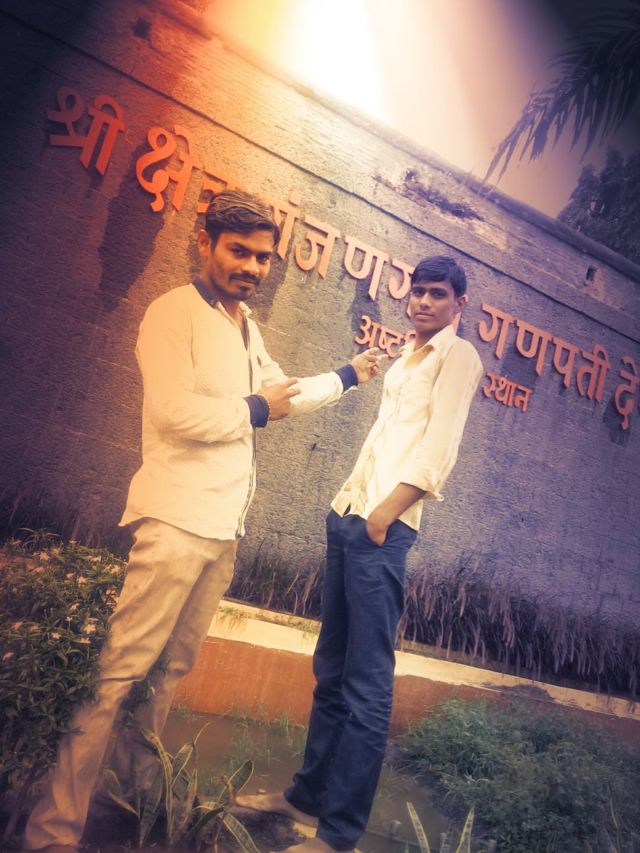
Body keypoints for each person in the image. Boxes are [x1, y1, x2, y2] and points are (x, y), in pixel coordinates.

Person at [23, 190, 382, 853]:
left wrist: (349, 374)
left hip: (221, 533)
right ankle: (52, 832)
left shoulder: (246, 327)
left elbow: (285, 395)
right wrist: (253, 408)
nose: (252, 267)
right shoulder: (173, 314)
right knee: (116, 678)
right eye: (239, 251)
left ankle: (125, 803)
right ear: (205, 243)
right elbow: (173, 412)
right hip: (174, 523)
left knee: (166, 677)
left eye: (262, 257)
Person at [237, 255, 484, 853]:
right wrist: (354, 511)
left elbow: (438, 451)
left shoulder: (458, 357)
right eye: (418, 292)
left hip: (382, 529)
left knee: (367, 686)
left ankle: (339, 834)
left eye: (437, 294)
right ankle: (305, 799)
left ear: (459, 304)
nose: (423, 302)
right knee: (332, 669)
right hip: (349, 514)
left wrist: (382, 516)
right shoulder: (407, 356)